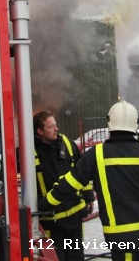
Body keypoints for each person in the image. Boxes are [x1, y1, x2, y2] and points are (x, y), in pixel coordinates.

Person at [39, 101, 139, 261]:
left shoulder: (96, 155)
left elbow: (67, 186)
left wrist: (42, 206)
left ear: (109, 122)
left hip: (121, 237)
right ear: (136, 124)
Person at [33, 110, 95, 261]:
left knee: (76, 257)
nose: (56, 129)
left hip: (75, 215)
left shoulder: (67, 143)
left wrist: (89, 197)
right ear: (40, 131)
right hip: (50, 221)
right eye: (51, 127)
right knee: (56, 258)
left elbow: (82, 172)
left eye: (56, 125)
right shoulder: (29, 151)